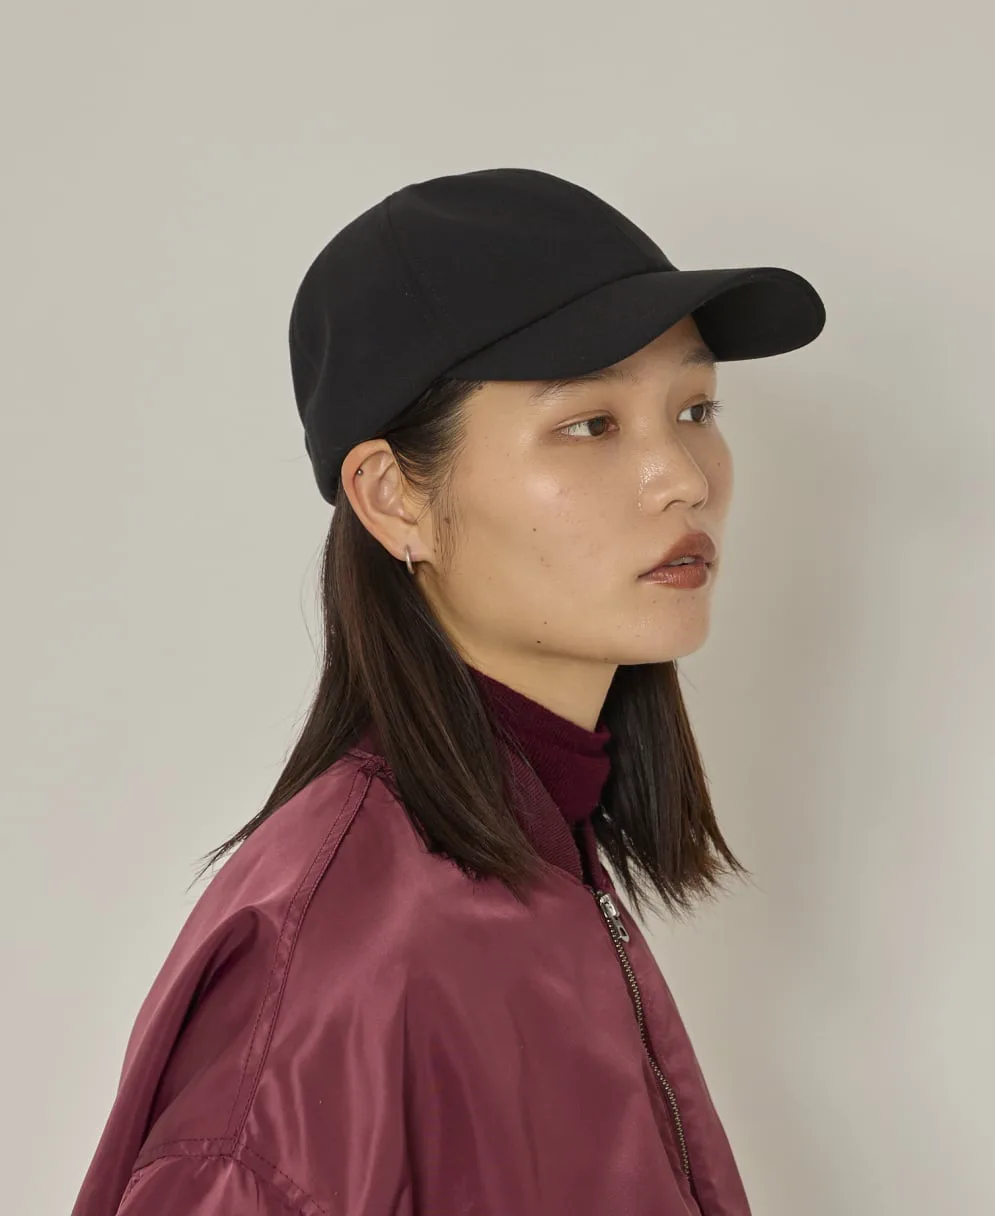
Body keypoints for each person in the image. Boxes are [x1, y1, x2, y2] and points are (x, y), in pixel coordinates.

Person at [71, 166, 826, 1216]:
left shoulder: (533, 849)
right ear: (394, 499)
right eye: (590, 424)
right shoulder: (340, 962)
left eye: (694, 408)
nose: (686, 478)